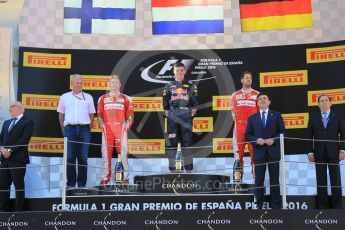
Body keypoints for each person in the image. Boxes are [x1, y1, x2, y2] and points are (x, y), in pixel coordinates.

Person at [245, 93, 285, 209]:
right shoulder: (252, 118)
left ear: (269, 102)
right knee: (259, 181)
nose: (262, 100)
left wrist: (274, 140)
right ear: (257, 103)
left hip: (273, 152)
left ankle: (276, 206)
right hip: (258, 153)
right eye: (260, 99)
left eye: (265, 98)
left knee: (274, 180)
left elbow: (282, 132)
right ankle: (258, 205)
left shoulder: (277, 115)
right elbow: (248, 135)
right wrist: (256, 140)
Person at [57, 74, 95, 188]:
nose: (79, 85)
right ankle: (71, 186)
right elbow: (61, 115)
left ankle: (82, 186)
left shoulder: (88, 97)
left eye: (80, 83)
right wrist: (65, 131)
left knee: (83, 159)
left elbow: (92, 115)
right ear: (72, 84)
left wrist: (88, 129)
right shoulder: (64, 97)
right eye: (76, 83)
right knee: (70, 158)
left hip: (84, 130)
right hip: (70, 130)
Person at [307, 94, 345, 209]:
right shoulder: (313, 117)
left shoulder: (338, 116)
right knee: (321, 180)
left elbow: (343, 134)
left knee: (336, 179)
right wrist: (310, 152)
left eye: (326, 100)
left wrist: (343, 150)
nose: (324, 102)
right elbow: (308, 136)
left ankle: (337, 206)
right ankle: (322, 206)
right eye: (321, 101)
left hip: (334, 152)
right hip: (318, 153)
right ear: (318, 104)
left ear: (330, 103)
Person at [97, 75, 134, 185]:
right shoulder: (102, 98)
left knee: (123, 154)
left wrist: (125, 127)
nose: (114, 84)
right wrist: (103, 128)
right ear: (109, 84)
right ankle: (105, 178)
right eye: (112, 82)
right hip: (107, 130)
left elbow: (130, 115)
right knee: (105, 155)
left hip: (120, 130)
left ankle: (125, 178)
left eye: (116, 82)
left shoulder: (126, 98)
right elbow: (99, 115)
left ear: (120, 84)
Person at [163, 62, 198, 172]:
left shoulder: (191, 85)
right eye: (177, 70)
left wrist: (193, 110)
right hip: (173, 117)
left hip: (186, 116)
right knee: (172, 142)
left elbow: (195, 101)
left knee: (187, 142)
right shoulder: (168, 85)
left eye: (181, 70)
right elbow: (165, 103)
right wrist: (168, 113)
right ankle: (173, 169)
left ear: (185, 71)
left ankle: (188, 169)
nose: (179, 72)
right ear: (174, 71)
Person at [0, 101, 34, 212]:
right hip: (5, 159)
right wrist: (2, 149)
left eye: (12, 107)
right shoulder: (6, 123)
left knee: (18, 184)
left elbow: (24, 139)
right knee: (3, 185)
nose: (10, 110)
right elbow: (1, 139)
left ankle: (19, 209)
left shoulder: (28, 121)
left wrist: (10, 150)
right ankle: (3, 209)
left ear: (20, 108)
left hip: (18, 159)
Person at [230, 71, 259, 178]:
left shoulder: (257, 94)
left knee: (255, 155)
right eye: (247, 78)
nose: (249, 80)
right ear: (242, 80)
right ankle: (238, 180)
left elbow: (260, 113)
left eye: (250, 78)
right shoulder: (235, 95)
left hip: (253, 129)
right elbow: (233, 113)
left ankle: (256, 178)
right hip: (239, 129)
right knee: (238, 156)